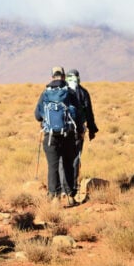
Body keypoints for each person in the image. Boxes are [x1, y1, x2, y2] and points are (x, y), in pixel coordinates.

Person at [34, 66, 81, 206]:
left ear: (52, 77)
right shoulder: (70, 93)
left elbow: (37, 115)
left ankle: (54, 198)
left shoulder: (45, 93)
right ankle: (69, 197)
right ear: (64, 76)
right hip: (68, 135)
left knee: (53, 166)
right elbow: (77, 114)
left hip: (50, 137)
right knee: (67, 165)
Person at [64, 68, 98, 191]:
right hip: (79, 131)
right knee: (76, 157)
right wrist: (92, 129)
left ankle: (63, 187)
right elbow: (89, 113)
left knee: (64, 157)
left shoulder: (61, 92)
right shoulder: (83, 92)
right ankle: (72, 187)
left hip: (63, 131)